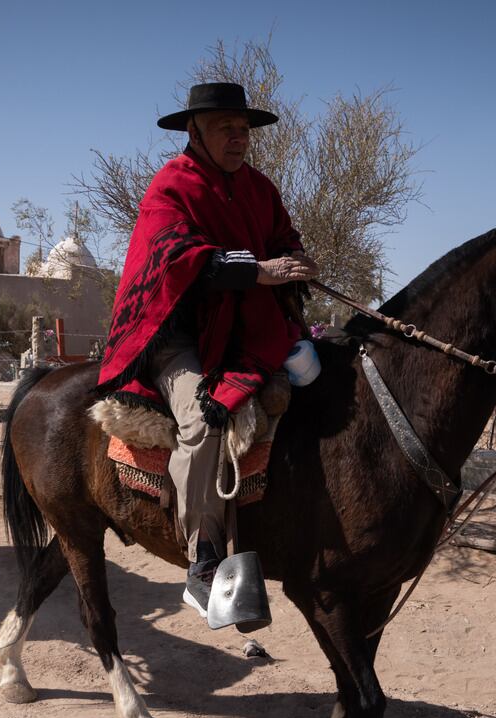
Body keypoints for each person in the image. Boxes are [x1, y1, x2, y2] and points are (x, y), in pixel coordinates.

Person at [95, 83, 318, 618]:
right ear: (194, 132)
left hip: (243, 332)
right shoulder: (170, 186)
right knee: (203, 419)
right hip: (177, 336)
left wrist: (294, 259)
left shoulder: (260, 188)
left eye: (245, 129)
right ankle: (203, 561)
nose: (240, 138)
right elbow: (175, 258)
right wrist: (256, 270)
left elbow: (283, 236)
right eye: (227, 128)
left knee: (320, 381)